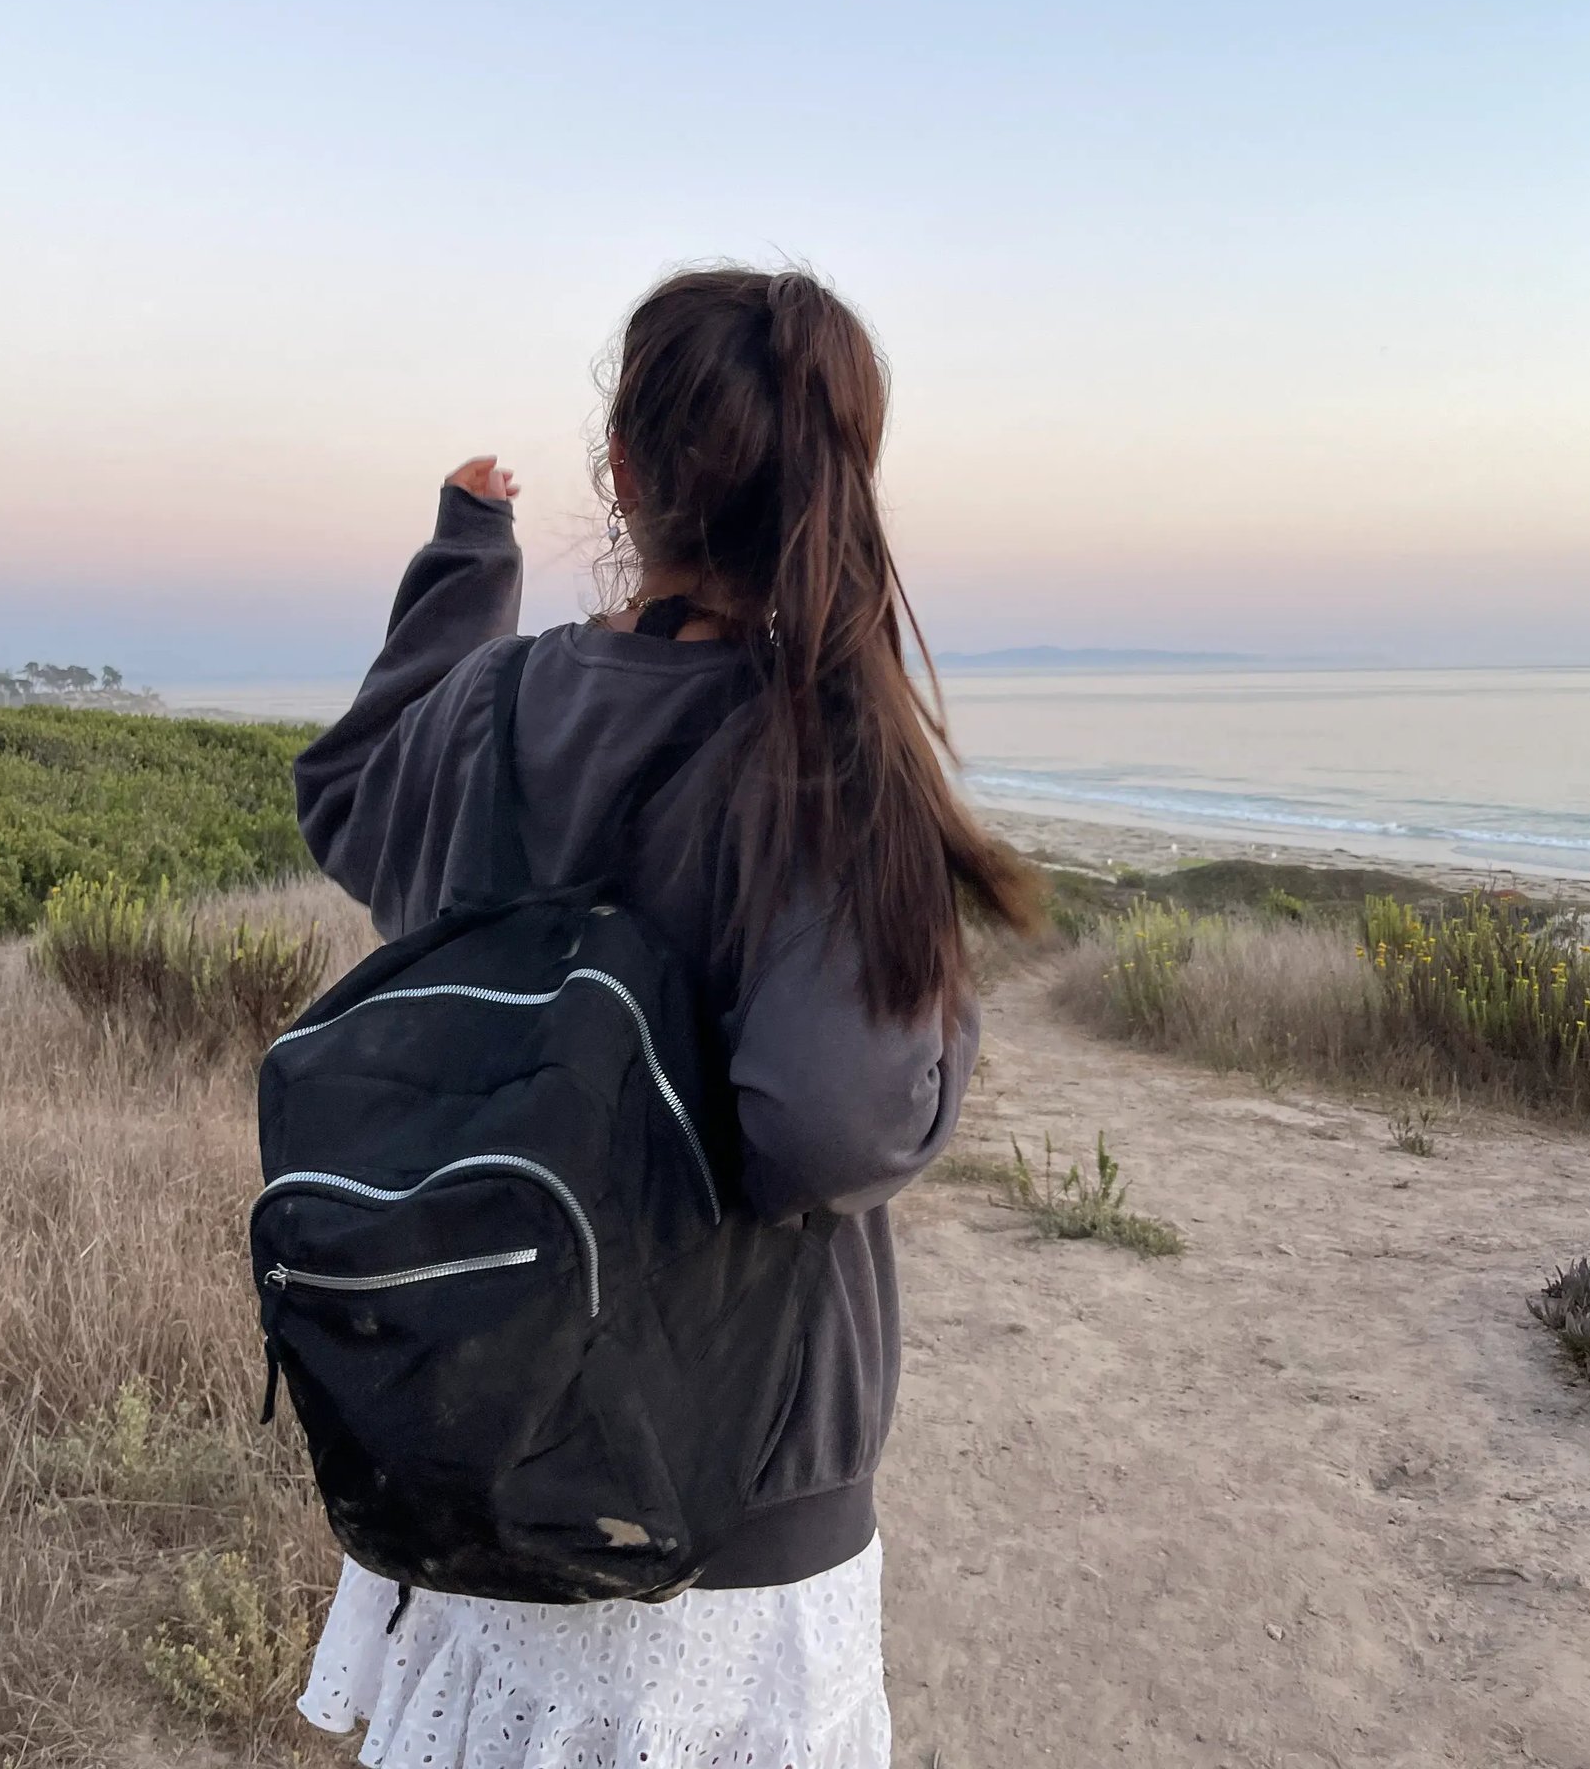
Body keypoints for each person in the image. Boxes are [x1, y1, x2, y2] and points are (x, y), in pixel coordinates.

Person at [290, 264, 1039, 1769]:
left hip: (475, 1435)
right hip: (726, 1499)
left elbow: (350, 800)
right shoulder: (823, 755)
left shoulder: (492, 709)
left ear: (620, 472)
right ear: (839, 473)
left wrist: (463, 562)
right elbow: (832, 1124)